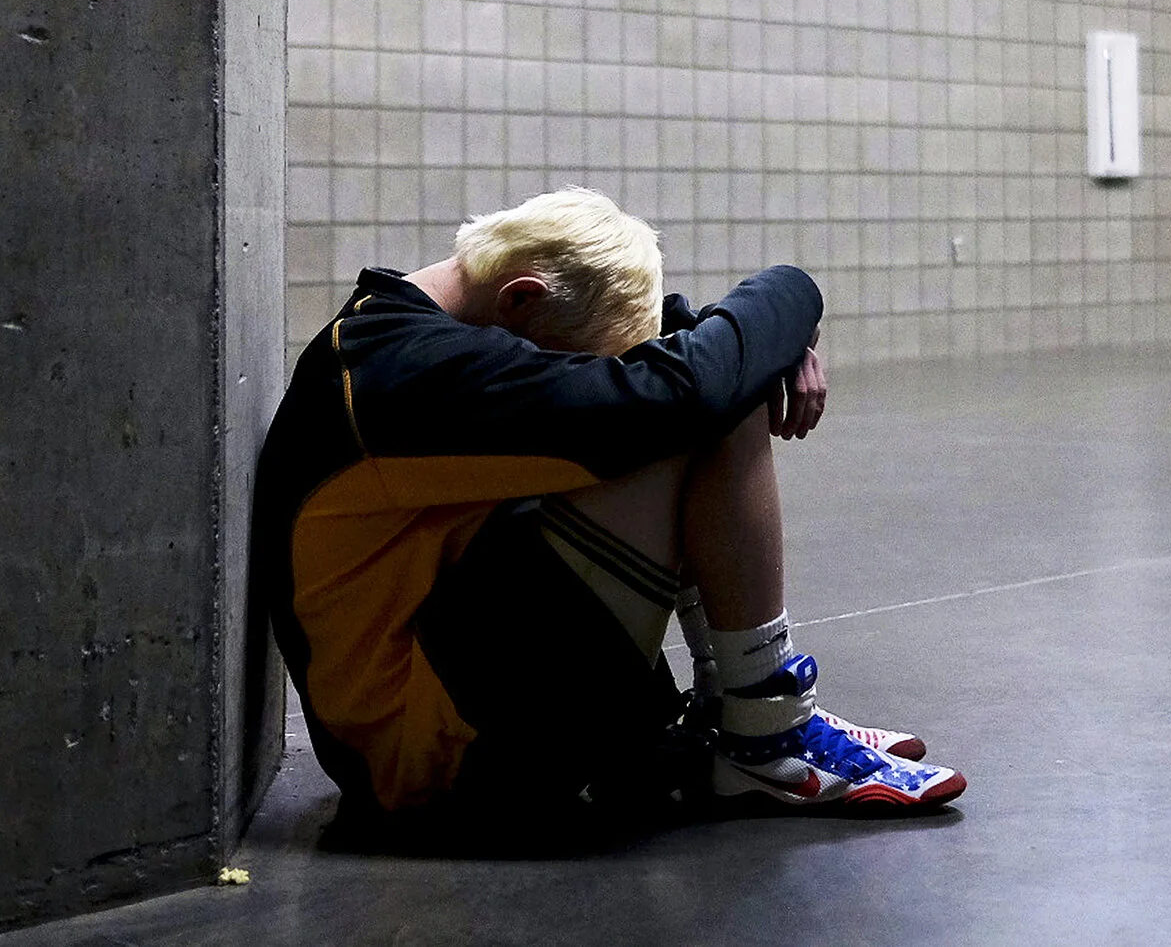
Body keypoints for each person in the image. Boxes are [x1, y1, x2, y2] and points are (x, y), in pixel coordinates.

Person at [252, 187, 964, 842]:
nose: (568, 374)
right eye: (567, 359)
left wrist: (769, 345)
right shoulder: (400, 374)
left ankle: (744, 714)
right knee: (698, 404)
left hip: (457, 681)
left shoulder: (413, 332)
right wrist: (796, 294)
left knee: (704, 385)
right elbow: (682, 393)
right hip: (429, 761)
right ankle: (763, 729)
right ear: (522, 301)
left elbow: (680, 360)